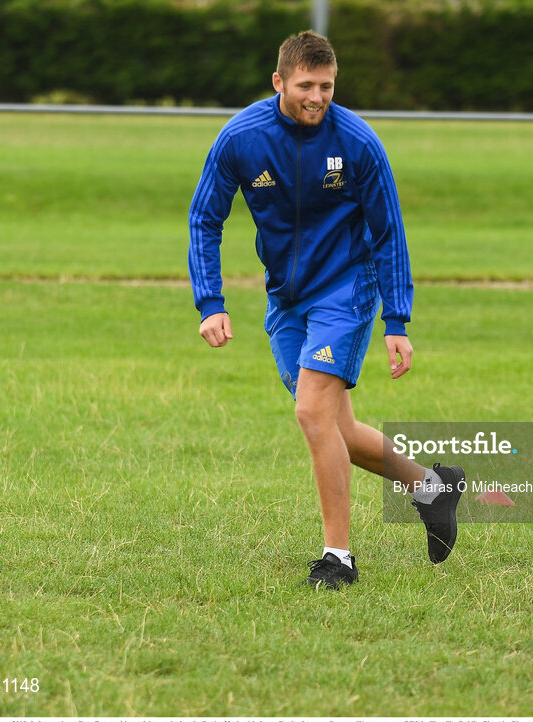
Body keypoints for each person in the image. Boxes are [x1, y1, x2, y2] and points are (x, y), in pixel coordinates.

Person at [188, 30, 464, 591]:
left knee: (312, 413)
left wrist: (396, 320)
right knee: (335, 425)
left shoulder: (358, 142)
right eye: (306, 85)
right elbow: (204, 220)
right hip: (286, 296)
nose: (317, 97)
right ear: (279, 82)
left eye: (327, 86)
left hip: (347, 288)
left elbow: (390, 232)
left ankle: (337, 557)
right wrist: (210, 302)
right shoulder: (241, 137)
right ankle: (434, 489)